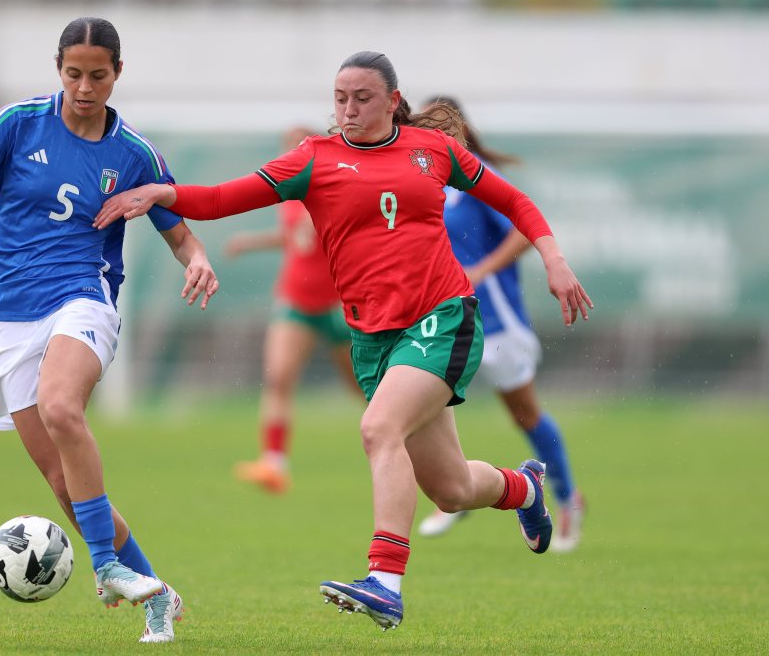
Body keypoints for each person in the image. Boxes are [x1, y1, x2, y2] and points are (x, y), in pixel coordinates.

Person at [94, 51, 592, 632]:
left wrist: (554, 259)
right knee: (452, 489)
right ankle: (524, 488)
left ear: (393, 102)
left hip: (443, 317)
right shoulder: (315, 159)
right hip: (373, 338)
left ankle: (385, 581)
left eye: (362, 98)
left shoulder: (433, 151)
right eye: (340, 98)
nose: (348, 109)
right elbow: (224, 198)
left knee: (378, 429)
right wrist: (161, 193)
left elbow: (514, 202)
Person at [0, 17, 218, 644]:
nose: (85, 88)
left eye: (98, 76)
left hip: (83, 298)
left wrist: (197, 259)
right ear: (58, 69)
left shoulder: (133, 154)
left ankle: (105, 566)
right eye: (74, 74)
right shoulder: (16, 124)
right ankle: (156, 595)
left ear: (118, 73)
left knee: (62, 407)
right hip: (8, 316)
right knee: (65, 485)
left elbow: (180, 233)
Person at [415, 95, 586, 553]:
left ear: (460, 131)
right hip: (445, 319)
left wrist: (482, 270)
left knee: (525, 413)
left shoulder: (476, 178)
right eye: (423, 125)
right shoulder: (423, 180)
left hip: (495, 318)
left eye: (439, 126)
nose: (430, 134)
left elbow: (523, 229)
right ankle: (453, 492)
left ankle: (568, 498)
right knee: (424, 405)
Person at [227, 126, 363, 495]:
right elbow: (294, 239)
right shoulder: (286, 192)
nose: (290, 154)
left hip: (338, 302)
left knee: (363, 387)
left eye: (297, 146)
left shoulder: (337, 187)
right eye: (286, 147)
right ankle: (274, 463)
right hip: (296, 300)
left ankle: (405, 440)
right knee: (279, 377)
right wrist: (250, 242)